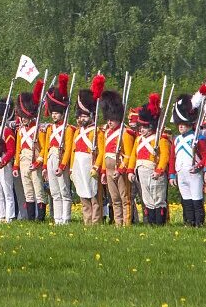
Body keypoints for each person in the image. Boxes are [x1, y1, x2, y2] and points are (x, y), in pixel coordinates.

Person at [69, 76, 105, 225]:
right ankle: (87, 220)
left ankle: (96, 222)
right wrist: (71, 168)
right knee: (83, 195)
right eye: (79, 116)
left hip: (91, 166)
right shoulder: (77, 132)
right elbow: (73, 151)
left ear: (91, 116)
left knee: (95, 196)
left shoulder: (97, 132)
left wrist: (96, 166)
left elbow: (101, 151)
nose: (80, 119)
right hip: (79, 165)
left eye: (84, 116)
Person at [130, 94, 171, 224]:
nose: (141, 129)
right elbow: (133, 156)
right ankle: (151, 222)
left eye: (144, 127)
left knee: (158, 198)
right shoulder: (138, 139)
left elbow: (164, 156)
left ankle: (159, 223)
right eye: (140, 127)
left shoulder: (161, 139)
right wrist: (130, 170)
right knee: (147, 199)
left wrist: (159, 170)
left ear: (151, 126)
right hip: (141, 171)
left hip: (154, 171)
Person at [96, 89, 131, 228]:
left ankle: (126, 223)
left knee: (124, 198)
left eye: (112, 119)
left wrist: (121, 169)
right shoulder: (106, 133)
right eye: (108, 119)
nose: (109, 122)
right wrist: (104, 172)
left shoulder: (125, 133)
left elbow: (128, 155)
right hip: (109, 169)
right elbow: (104, 153)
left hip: (119, 168)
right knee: (114, 199)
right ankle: (118, 223)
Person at [42, 74, 73, 225]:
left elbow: (68, 149)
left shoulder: (67, 129)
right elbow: (46, 147)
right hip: (50, 158)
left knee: (64, 191)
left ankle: (66, 218)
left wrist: (63, 165)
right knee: (54, 191)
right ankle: (57, 218)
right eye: (53, 113)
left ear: (62, 114)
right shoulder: (49, 129)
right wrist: (44, 167)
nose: (54, 115)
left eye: (56, 113)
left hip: (61, 159)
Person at [170, 90, 204, 226]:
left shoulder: (197, 138)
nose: (181, 127)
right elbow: (173, 158)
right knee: (186, 200)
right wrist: (172, 175)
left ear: (190, 124)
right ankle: (189, 221)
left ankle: (199, 222)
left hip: (193, 171)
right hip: (180, 172)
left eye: (183, 124)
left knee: (196, 199)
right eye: (179, 125)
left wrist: (199, 166)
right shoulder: (177, 139)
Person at [14, 81, 45, 221]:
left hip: (35, 161)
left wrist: (38, 162)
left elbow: (44, 149)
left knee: (38, 191)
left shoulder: (38, 129)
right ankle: (31, 218)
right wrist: (15, 165)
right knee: (28, 192)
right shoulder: (21, 130)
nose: (23, 119)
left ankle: (41, 218)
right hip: (23, 161)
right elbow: (18, 149)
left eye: (25, 117)